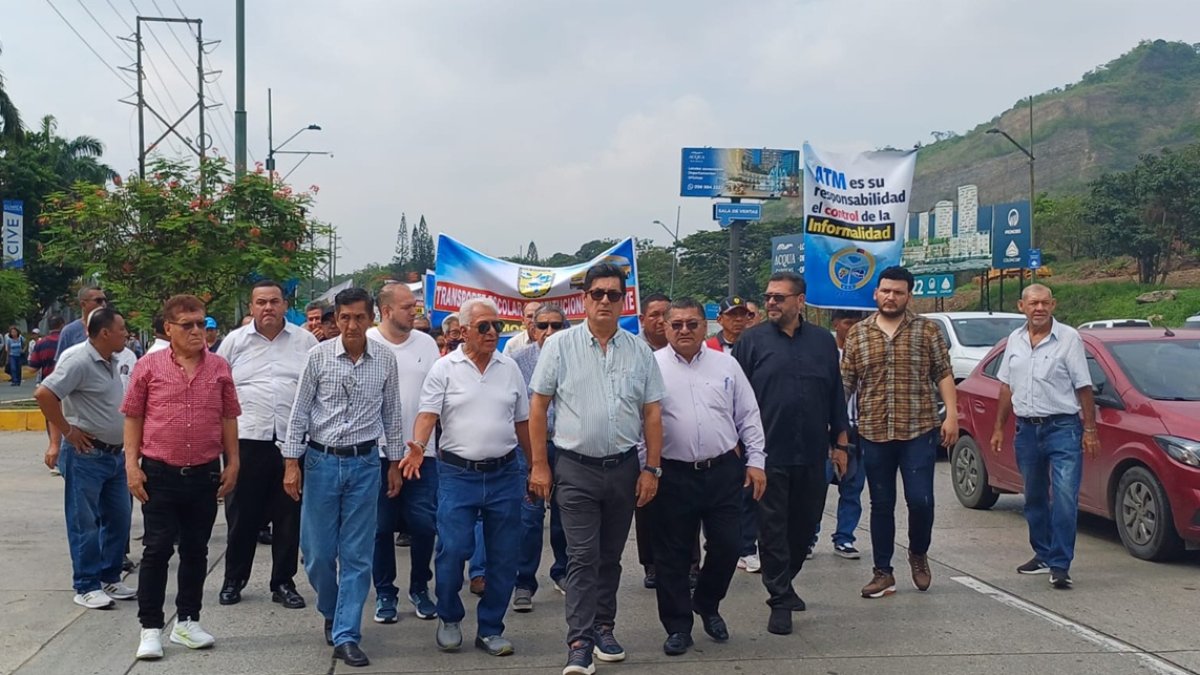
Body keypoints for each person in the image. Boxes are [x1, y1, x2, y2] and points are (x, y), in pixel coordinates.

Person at [529, 262, 665, 675]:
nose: (605, 300)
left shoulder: (639, 349)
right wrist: (539, 465)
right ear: (584, 299)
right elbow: (538, 406)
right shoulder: (560, 346)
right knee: (583, 556)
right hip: (574, 468)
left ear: (624, 301)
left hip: (624, 468)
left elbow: (653, 413)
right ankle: (579, 642)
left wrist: (651, 470)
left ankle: (605, 627)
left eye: (613, 294)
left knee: (610, 556)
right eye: (597, 294)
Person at [399, 297, 533, 657]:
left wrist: (536, 466)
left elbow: (522, 422)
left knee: (504, 556)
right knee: (453, 549)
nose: (493, 333)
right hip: (458, 475)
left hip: (505, 473)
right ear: (463, 331)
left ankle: (490, 628)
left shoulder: (510, 368)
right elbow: (428, 415)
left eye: (498, 327)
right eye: (484, 327)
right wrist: (419, 445)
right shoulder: (445, 368)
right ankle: (450, 617)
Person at [283, 287, 403, 668]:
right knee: (318, 555)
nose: (352, 325)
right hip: (321, 462)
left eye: (360, 318)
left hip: (365, 463)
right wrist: (291, 462)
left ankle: (347, 633)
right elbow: (299, 412)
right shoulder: (317, 357)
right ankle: (332, 608)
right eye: (345, 318)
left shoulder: (384, 359)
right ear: (336, 319)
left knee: (356, 555)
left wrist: (395, 463)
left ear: (372, 319)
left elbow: (393, 415)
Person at [122, 294, 241, 661]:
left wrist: (233, 461)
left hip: (204, 473)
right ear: (168, 328)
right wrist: (131, 464)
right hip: (159, 472)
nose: (196, 331)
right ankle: (150, 627)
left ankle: (187, 621)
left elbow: (227, 417)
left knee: (196, 549)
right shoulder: (148, 366)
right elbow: (133, 416)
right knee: (157, 550)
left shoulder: (219, 367)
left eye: (200, 324)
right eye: (186, 325)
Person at [732, 272, 849, 636]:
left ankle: (786, 579)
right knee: (772, 529)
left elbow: (835, 395)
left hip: (813, 452)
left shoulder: (822, 343)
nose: (771, 303)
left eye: (779, 298)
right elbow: (733, 398)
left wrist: (841, 443)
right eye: (768, 297)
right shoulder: (751, 343)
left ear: (800, 301)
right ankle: (780, 599)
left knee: (805, 527)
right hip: (767, 455)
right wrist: (741, 450)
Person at [650, 298, 767, 655]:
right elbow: (640, 423)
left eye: (692, 324)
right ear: (666, 328)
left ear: (705, 326)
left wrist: (757, 460)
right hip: (672, 474)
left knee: (730, 545)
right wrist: (646, 468)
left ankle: (707, 601)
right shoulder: (649, 367)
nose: (685, 330)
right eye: (677, 324)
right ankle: (677, 626)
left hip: (721, 472)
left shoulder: (726, 364)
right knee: (672, 555)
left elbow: (748, 414)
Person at [841, 266, 958, 600]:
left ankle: (918, 553)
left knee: (920, 501)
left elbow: (943, 374)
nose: (890, 297)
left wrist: (952, 415)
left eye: (898, 292)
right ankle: (883, 572)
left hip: (918, 429)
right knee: (881, 503)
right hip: (874, 431)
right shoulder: (859, 334)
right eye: (885, 291)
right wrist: (835, 426)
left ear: (909, 296)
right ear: (876, 293)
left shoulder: (927, 331)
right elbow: (846, 382)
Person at [216, 281, 318, 610]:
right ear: (251, 306)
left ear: (285, 305)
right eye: (261, 302)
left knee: (288, 516)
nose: (268, 308)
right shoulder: (234, 342)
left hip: (292, 443)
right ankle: (234, 579)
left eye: (274, 301)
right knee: (242, 516)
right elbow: (218, 387)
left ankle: (283, 582)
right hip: (247, 441)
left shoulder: (306, 342)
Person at [991, 284, 1097, 589]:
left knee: (1064, 498)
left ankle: (1061, 564)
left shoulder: (1069, 338)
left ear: (1054, 305)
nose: (1039, 308)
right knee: (1034, 497)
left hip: (1063, 428)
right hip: (1026, 430)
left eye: (1044, 303)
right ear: (1021, 306)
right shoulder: (1015, 339)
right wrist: (999, 427)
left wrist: (1090, 430)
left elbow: (1084, 387)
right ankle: (1043, 552)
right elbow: (1005, 386)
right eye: (1033, 303)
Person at [35, 308, 137, 610]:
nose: (126, 334)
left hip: (115, 456)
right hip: (86, 455)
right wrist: (66, 431)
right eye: (122, 329)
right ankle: (86, 584)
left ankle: (109, 576)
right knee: (85, 524)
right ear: (104, 332)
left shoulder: (114, 359)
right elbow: (44, 394)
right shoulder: (78, 359)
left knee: (119, 518)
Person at [367, 283, 441, 624]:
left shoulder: (426, 344)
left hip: (423, 453)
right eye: (408, 307)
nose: (415, 312)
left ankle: (420, 588)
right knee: (381, 528)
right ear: (386, 311)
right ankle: (385, 592)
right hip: (378, 454)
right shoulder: (368, 342)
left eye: (416, 306)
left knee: (425, 525)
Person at [509, 305, 570, 612]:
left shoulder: (576, 358)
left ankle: (563, 572)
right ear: (531, 329)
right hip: (529, 448)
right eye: (542, 325)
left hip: (568, 447)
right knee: (530, 518)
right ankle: (523, 582)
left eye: (556, 326)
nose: (549, 332)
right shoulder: (517, 362)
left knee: (565, 516)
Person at [811, 309, 869, 560]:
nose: (853, 327)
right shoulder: (823, 354)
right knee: (816, 489)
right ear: (835, 324)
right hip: (828, 431)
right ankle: (808, 538)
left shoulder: (867, 352)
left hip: (861, 429)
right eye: (847, 322)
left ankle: (845, 538)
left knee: (853, 488)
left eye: (858, 322)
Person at [633, 292, 678, 589]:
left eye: (666, 315)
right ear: (642, 319)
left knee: (683, 510)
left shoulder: (684, 349)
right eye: (654, 315)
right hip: (640, 446)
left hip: (679, 447)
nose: (661, 321)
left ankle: (687, 563)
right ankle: (651, 564)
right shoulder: (634, 352)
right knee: (648, 507)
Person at [30, 316, 66, 475]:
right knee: (70, 421)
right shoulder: (67, 341)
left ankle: (56, 455)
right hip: (69, 387)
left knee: (52, 420)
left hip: (49, 388)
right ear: (62, 325)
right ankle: (67, 457)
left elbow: (32, 367)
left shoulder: (41, 343)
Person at [56, 286, 108, 359]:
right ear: (83, 304)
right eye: (98, 301)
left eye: (105, 300)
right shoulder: (69, 331)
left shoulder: (111, 327)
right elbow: (61, 362)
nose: (103, 304)